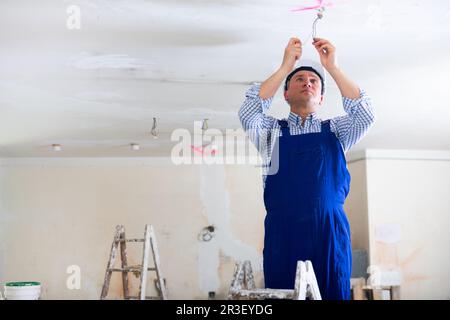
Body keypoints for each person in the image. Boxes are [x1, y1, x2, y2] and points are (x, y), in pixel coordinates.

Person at [238, 37, 375, 300]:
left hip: (329, 232)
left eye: (314, 82)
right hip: (283, 232)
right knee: (284, 292)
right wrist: (285, 65)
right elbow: (249, 113)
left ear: (322, 97)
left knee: (332, 292)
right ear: (286, 94)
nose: (307, 83)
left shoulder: (337, 131)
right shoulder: (270, 132)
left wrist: (333, 68)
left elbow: (366, 114)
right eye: (299, 79)